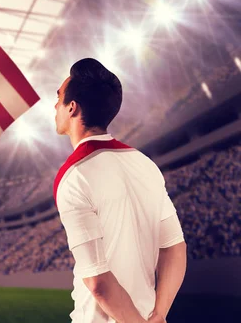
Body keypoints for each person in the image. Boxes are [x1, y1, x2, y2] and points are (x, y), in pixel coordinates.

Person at [53, 58, 187, 323]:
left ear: (71, 108)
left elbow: (97, 282)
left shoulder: (74, 175)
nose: (54, 105)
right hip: (150, 317)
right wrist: (159, 314)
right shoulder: (145, 163)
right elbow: (175, 247)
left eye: (58, 98)